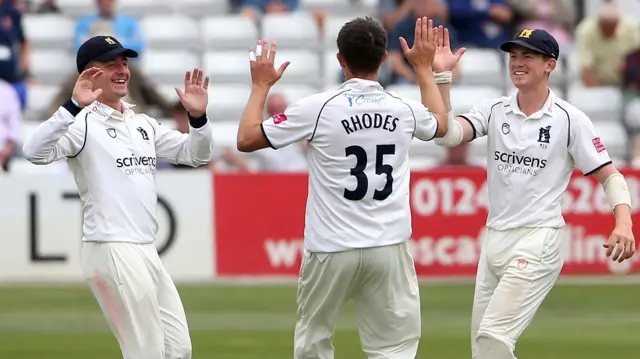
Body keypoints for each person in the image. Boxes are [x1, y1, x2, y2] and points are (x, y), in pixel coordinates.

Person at [237, 17, 449, 358]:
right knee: (394, 349)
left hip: (331, 247)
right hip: (387, 246)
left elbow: (246, 139)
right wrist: (423, 67)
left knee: (314, 344)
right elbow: (440, 125)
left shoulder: (317, 108)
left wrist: (261, 86)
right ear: (383, 59)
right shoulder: (403, 108)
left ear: (340, 59)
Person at [430, 26, 636, 359]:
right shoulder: (494, 110)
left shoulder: (570, 119)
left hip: (538, 240)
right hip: (494, 240)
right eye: (514, 56)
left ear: (550, 65)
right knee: (482, 351)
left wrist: (623, 223)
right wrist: (442, 77)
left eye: (528, 56)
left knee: (493, 338)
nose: (518, 63)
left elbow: (610, 176)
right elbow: (448, 137)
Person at [21, 35, 213, 359]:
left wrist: (198, 119)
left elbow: (196, 155)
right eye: (112, 64)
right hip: (110, 246)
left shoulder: (142, 123)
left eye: (125, 62)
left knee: (178, 349)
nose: (123, 69)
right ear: (89, 75)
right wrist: (71, 106)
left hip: (145, 249)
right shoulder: (82, 124)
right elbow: (33, 151)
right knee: (146, 352)